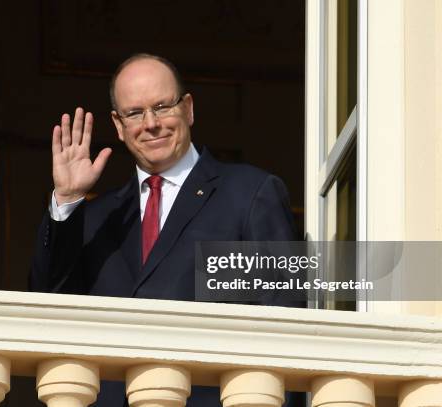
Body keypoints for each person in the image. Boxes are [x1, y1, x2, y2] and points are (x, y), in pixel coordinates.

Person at [30, 54, 302, 406]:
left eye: (162, 107)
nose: (151, 124)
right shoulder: (95, 216)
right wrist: (67, 199)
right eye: (134, 113)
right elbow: (47, 306)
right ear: (118, 124)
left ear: (188, 108)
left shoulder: (250, 194)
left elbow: (285, 326)